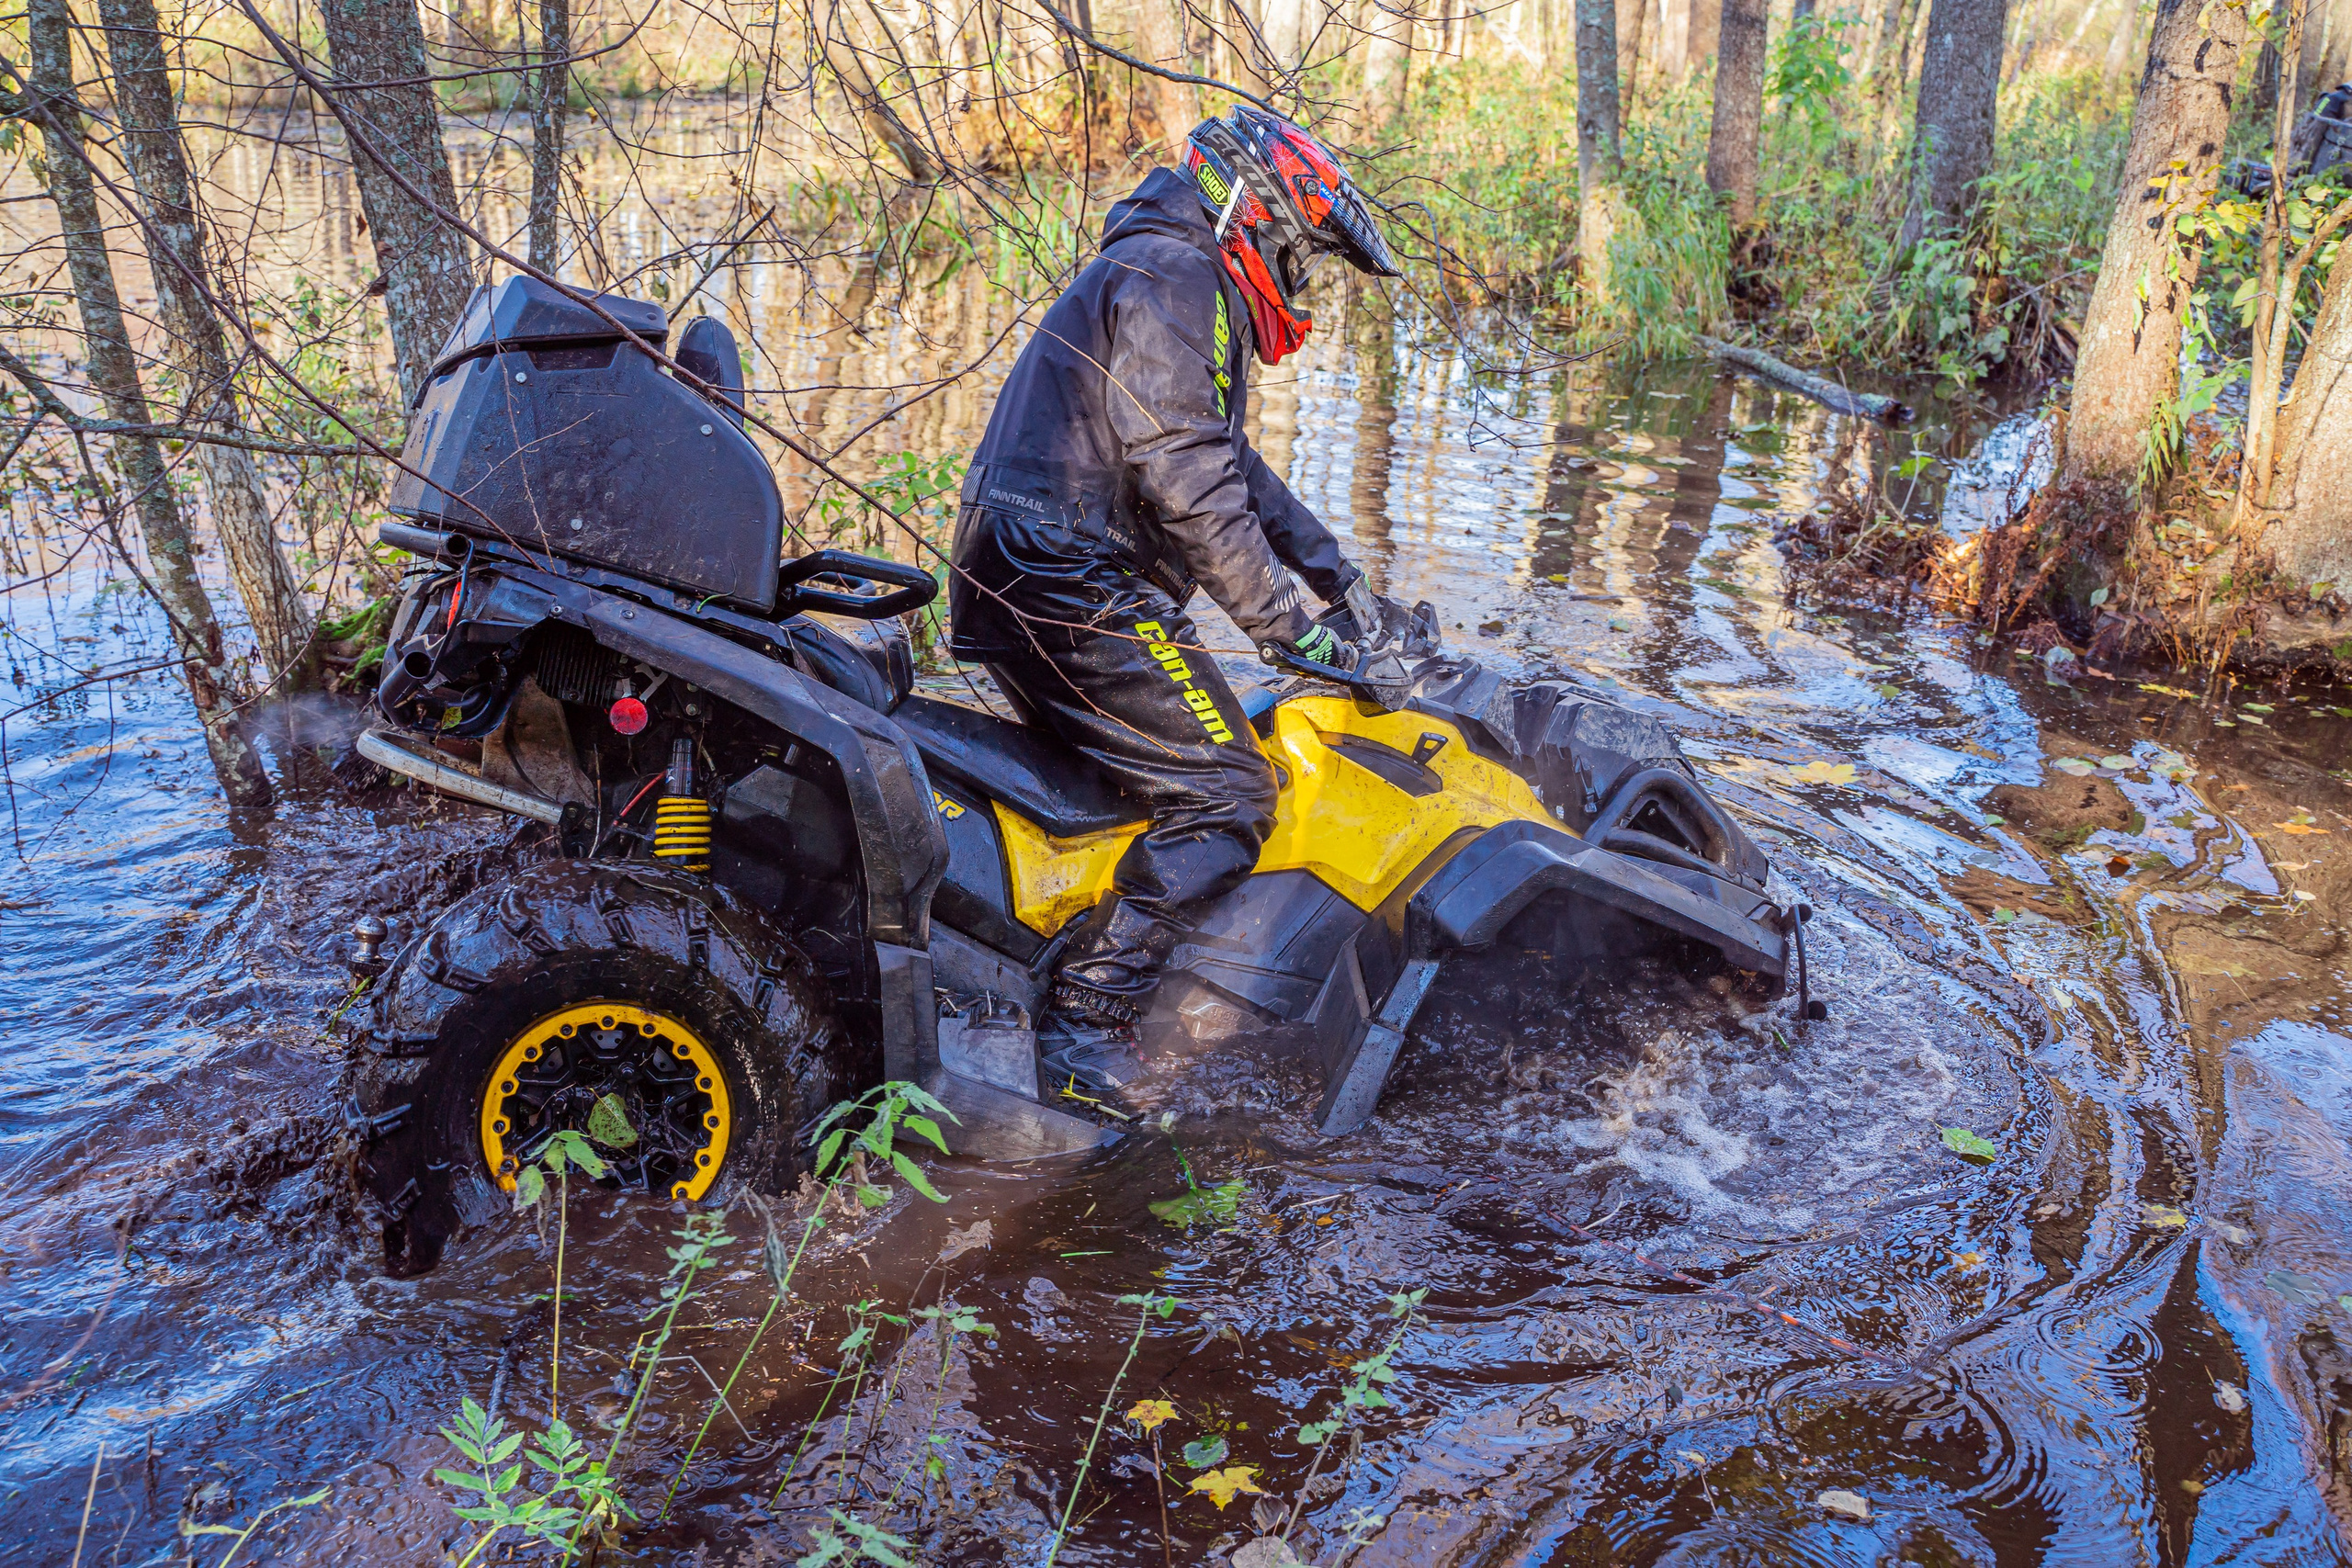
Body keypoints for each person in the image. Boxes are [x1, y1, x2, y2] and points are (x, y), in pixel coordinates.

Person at [946, 107, 1403, 1107]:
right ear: (1256, 218)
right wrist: (1290, 632)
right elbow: (1185, 473)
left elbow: (1226, 462)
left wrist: (1339, 581)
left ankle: (1025, 957)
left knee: (1136, 785)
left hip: (1043, 565)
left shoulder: (1164, 272)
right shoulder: (1174, 273)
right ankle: (1085, 1023)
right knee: (1229, 791)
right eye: (1301, 255)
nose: (1302, 281)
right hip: (1063, 575)